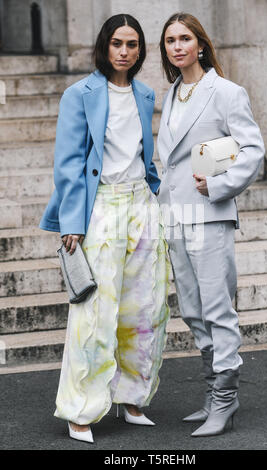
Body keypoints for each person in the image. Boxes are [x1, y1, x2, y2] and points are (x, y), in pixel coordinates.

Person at [39, 14, 170, 444]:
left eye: (133, 44)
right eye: (117, 43)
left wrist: (156, 196)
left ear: (140, 50)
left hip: (141, 205)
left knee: (144, 307)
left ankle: (132, 399)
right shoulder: (80, 94)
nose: (125, 51)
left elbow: (144, 155)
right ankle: (81, 410)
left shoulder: (145, 92)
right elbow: (69, 163)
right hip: (101, 208)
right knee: (94, 313)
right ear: (104, 45)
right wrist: (72, 221)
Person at [157, 12, 265, 437]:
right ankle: (212, 391)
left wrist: (219, 183)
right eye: (170, 41)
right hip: (175, 216)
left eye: (185, 39)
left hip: (210, 213)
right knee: (192, 308)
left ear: (200, 45)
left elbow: (252, 150)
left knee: (217, 307)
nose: (177, 46)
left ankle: (226, 396)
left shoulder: (226, 91)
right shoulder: (171, 94)